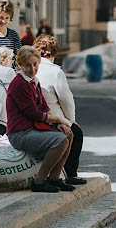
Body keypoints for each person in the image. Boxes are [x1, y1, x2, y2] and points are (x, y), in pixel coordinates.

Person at [6, 45, 76, 193]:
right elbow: (34, 114)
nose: (32, 69)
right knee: (60, 141)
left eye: (35, 64)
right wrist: (59, 120)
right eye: (27, 65)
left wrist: (59, 125)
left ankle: (55, 178)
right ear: (20, 65)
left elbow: (43, 106)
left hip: (33, 128)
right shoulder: (20, 84)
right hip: (20, 133)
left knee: (69, 134)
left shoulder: (34, 81)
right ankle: (39, 181)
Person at [34, 35, 86, 185]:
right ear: (54, 53)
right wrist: (71, 121)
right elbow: (66, 100)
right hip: (53, 117)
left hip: (35, 116)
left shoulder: (29, 68)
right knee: (76, 133)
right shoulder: (55, 72)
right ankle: (71, 173)